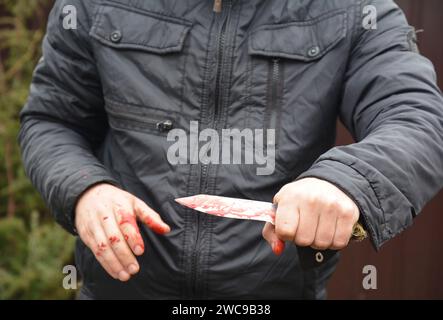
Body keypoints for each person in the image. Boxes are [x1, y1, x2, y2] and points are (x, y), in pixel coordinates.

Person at [19, 0, 443, 299]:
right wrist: (85, 190)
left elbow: (417, 119)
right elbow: (53, 120)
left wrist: (348, 182)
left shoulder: (354, 10)